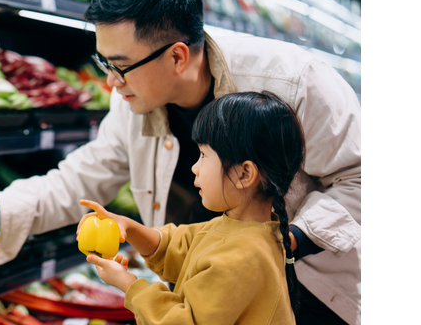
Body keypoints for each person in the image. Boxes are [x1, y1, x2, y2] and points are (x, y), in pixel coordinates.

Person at [0, 0, 361, 324]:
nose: (110, 81)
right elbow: (81, 177)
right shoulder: (135, 95)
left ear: (178, 55)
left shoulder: (293, 81)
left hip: (311, 294)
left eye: (119, 65)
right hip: (199, 284)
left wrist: (286, 239)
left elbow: (364, 178)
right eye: (103, 61)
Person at [79, 91, 303, 325]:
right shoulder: (242, 229)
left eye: (204, 155)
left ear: (244, 174)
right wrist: (127, 227)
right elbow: (179, 246)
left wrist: (128, 284)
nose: (195, 168)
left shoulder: (241, 258)